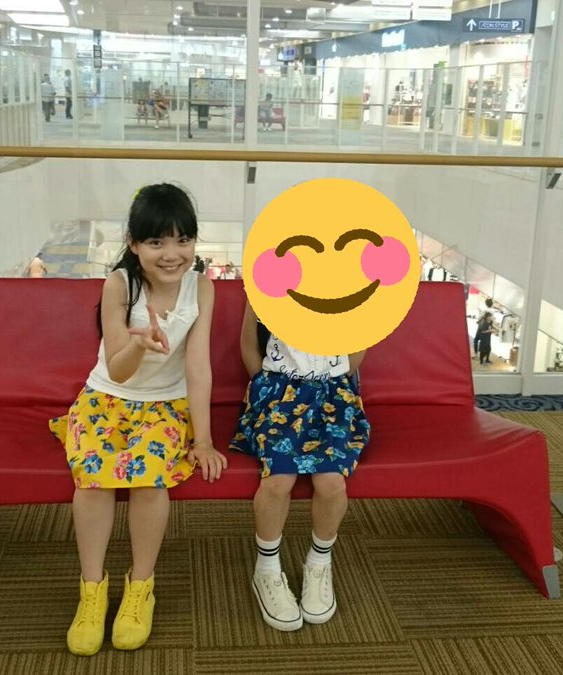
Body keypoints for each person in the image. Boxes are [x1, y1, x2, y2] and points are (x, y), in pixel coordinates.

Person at [48, 183, 227, 656]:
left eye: (183, 240)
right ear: (134, 244)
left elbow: (198, 366)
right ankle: (92, 590)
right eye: (156, 241)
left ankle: (139, 587)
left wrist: (204, 440)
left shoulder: (201, 287)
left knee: (149, 480)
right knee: (94, 480)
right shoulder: (119, 285)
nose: (172, 254)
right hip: (107, 397)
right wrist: (139, 344)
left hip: (165, 405)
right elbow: (117, 369)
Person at [229, 303, 370, 631]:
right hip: (278, 391)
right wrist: (264, 386)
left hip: (333, 394)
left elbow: (356, 352)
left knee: (331, 482)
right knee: (278, 479)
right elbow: (248, 342)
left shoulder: (350, 294)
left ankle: (319, 563)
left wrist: (331, 381)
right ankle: (267, 569)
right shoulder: (266, 290)